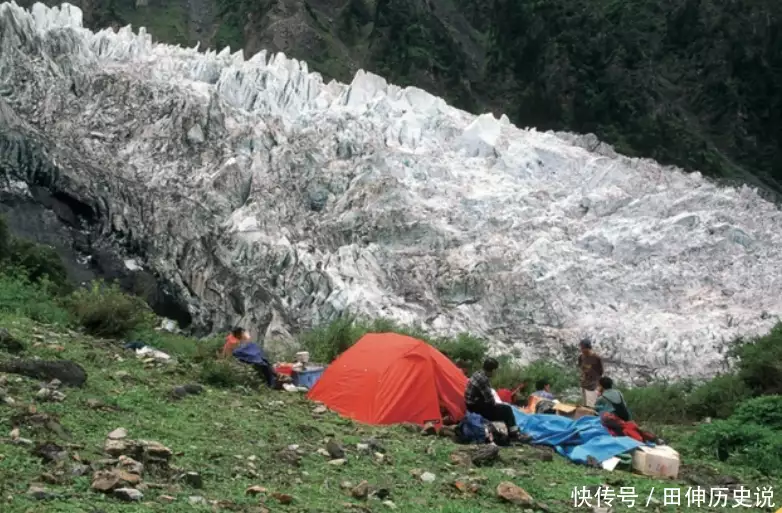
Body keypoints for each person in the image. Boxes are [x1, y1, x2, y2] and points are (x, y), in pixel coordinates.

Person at [464, 358, 524, 440]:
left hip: (471, 404)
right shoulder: (483, 380)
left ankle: (512, 432)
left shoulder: (477, 374)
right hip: (475, 408)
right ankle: (514, 434)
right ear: (493, 370)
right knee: (507, 409)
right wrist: (499, 405)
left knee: (502, 407)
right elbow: (490, 401)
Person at [595, 377, 662, 444]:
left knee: (619, 426)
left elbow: (596, 408)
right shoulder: (618, 392)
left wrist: (598, 396)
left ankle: (640, 439)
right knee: (633, 428)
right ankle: (654, 439)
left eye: (598, 385)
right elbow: (624, 405)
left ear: (601, 386)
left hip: (614, 419)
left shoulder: (602, 398)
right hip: (625, 416)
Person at [577, 338, 603, 408]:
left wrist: (599, 386)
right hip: (583, 384)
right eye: (581, 348)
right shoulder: (581, 357)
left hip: (593, 386)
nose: (582, 350)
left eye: (583, 348)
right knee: (584, 406)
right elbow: (581, 368)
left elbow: (600, 372)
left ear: (588, 348)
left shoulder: (596, 358)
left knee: (591, 407)